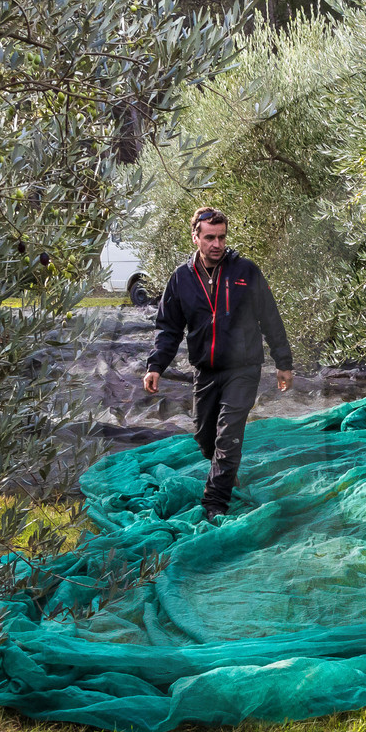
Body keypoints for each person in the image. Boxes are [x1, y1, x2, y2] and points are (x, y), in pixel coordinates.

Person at [143, 206, 294, 521]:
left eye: (221, 237)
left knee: (228, 435)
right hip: (206, 371)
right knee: (204, 435)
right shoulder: (181, 279)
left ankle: (214, 503)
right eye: (209, 237)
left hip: (243, 369)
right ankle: (226, 473)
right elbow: (169, 328)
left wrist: (283, 361)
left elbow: (270, 318)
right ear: (195, 237)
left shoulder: (245, 272)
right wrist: (156, 365)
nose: (216, 244)